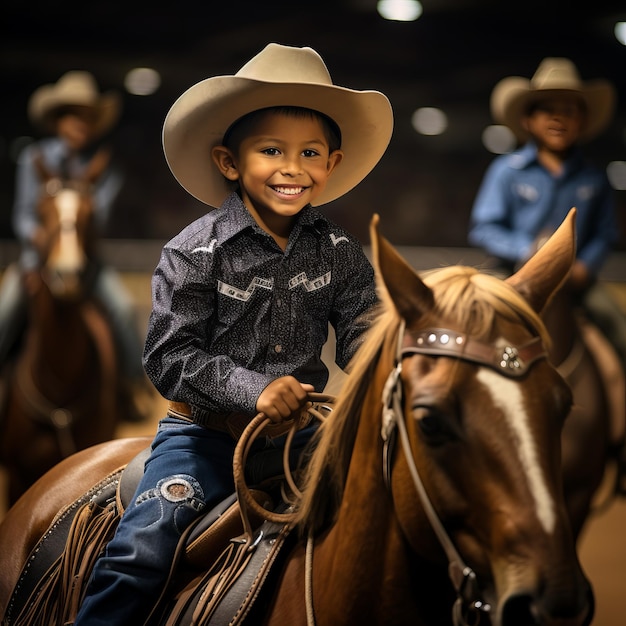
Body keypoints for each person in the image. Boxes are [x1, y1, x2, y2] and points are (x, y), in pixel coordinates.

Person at [73, 43, 393, 625]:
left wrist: (395, 357)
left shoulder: (342, 252)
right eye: (271, 150)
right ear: (229, 161)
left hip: (303, 438)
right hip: (205, 441)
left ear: (332, 163)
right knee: (143, 551)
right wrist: (256, 390)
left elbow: (361, 332)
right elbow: (171, 358)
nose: (292, 167)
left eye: (310, 153)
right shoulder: (194, 251)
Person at [0, 70, 151, 420]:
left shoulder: (104, 169)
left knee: (123, 309)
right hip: (37, 260)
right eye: (72, 116)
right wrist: (37, 235)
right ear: (58, 120)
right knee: (7, 309)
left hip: (85, 261)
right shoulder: (32, 158)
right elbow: (23, 214)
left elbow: (97, 220)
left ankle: (131, 387)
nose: (79, 124)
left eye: (86, 117)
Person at [468, 57, 626, 372]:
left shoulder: (593, 179)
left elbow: (605, 232)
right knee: (474, 316)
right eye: (547, 109)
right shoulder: (507, 171)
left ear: (582, 120)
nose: (558, 118)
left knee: (616, 324)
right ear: (528, 119)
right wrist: (528, 250)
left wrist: (584, 267)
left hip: (575, 278)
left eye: (569, 110)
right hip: (510, 272)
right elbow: (484, 227)